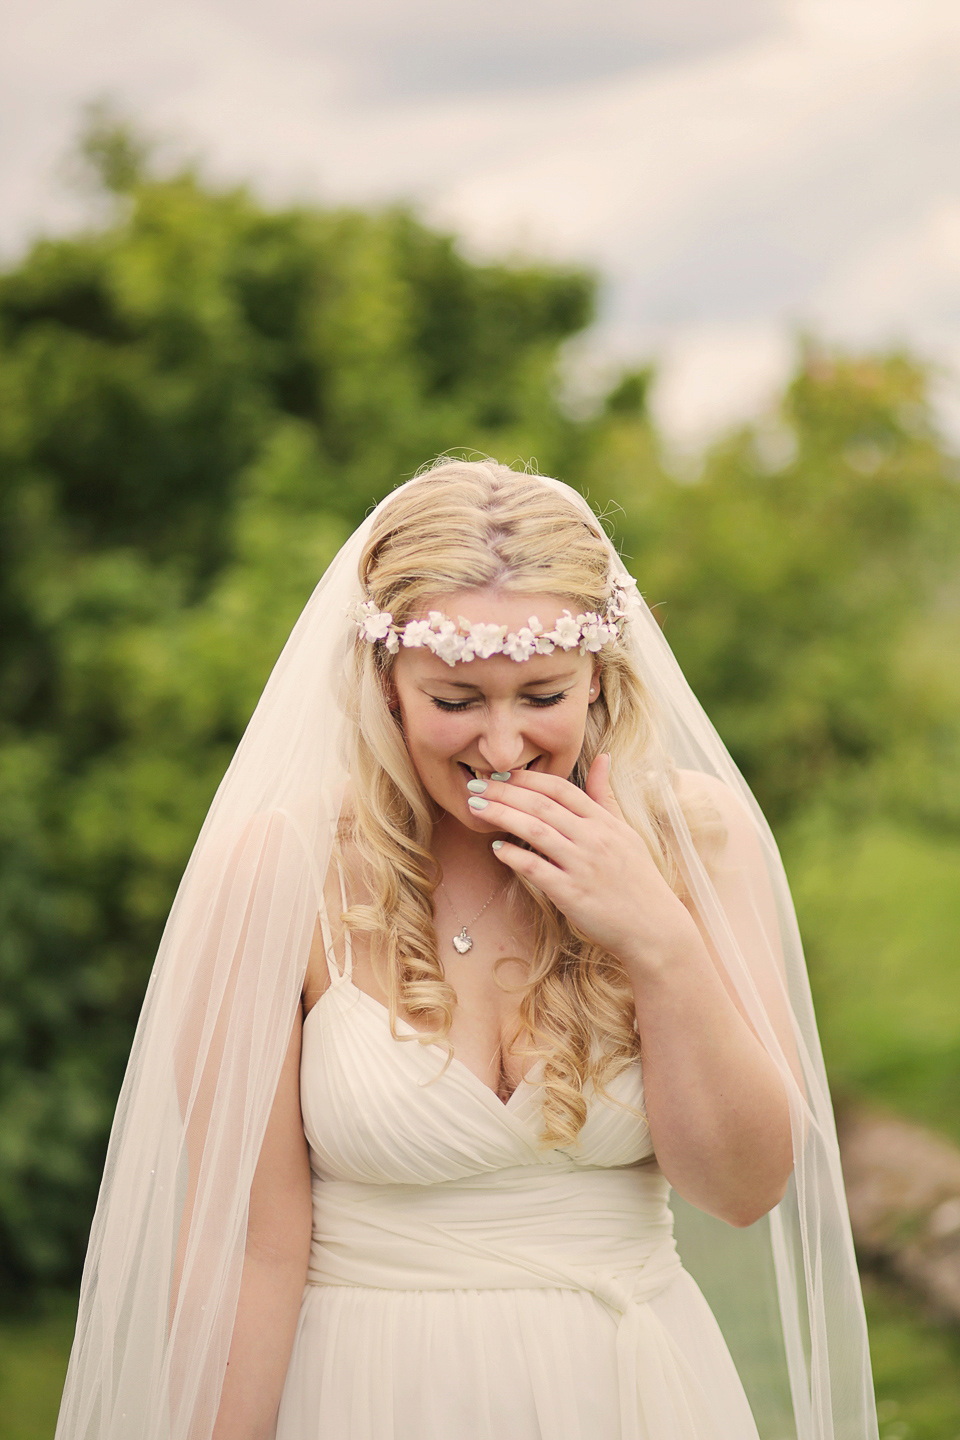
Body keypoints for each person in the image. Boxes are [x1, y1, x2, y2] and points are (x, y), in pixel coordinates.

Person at [56, 459, 879, 1440]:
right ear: (385, 687)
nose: (501, 747)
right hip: (371, 1397)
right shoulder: (283, 870)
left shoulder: (697, 843)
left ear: (602, 677)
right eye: (455, 700)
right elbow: (250, 1255)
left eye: (542, 694)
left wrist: (656, 937)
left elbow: (744, 1191)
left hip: (635, 1397)